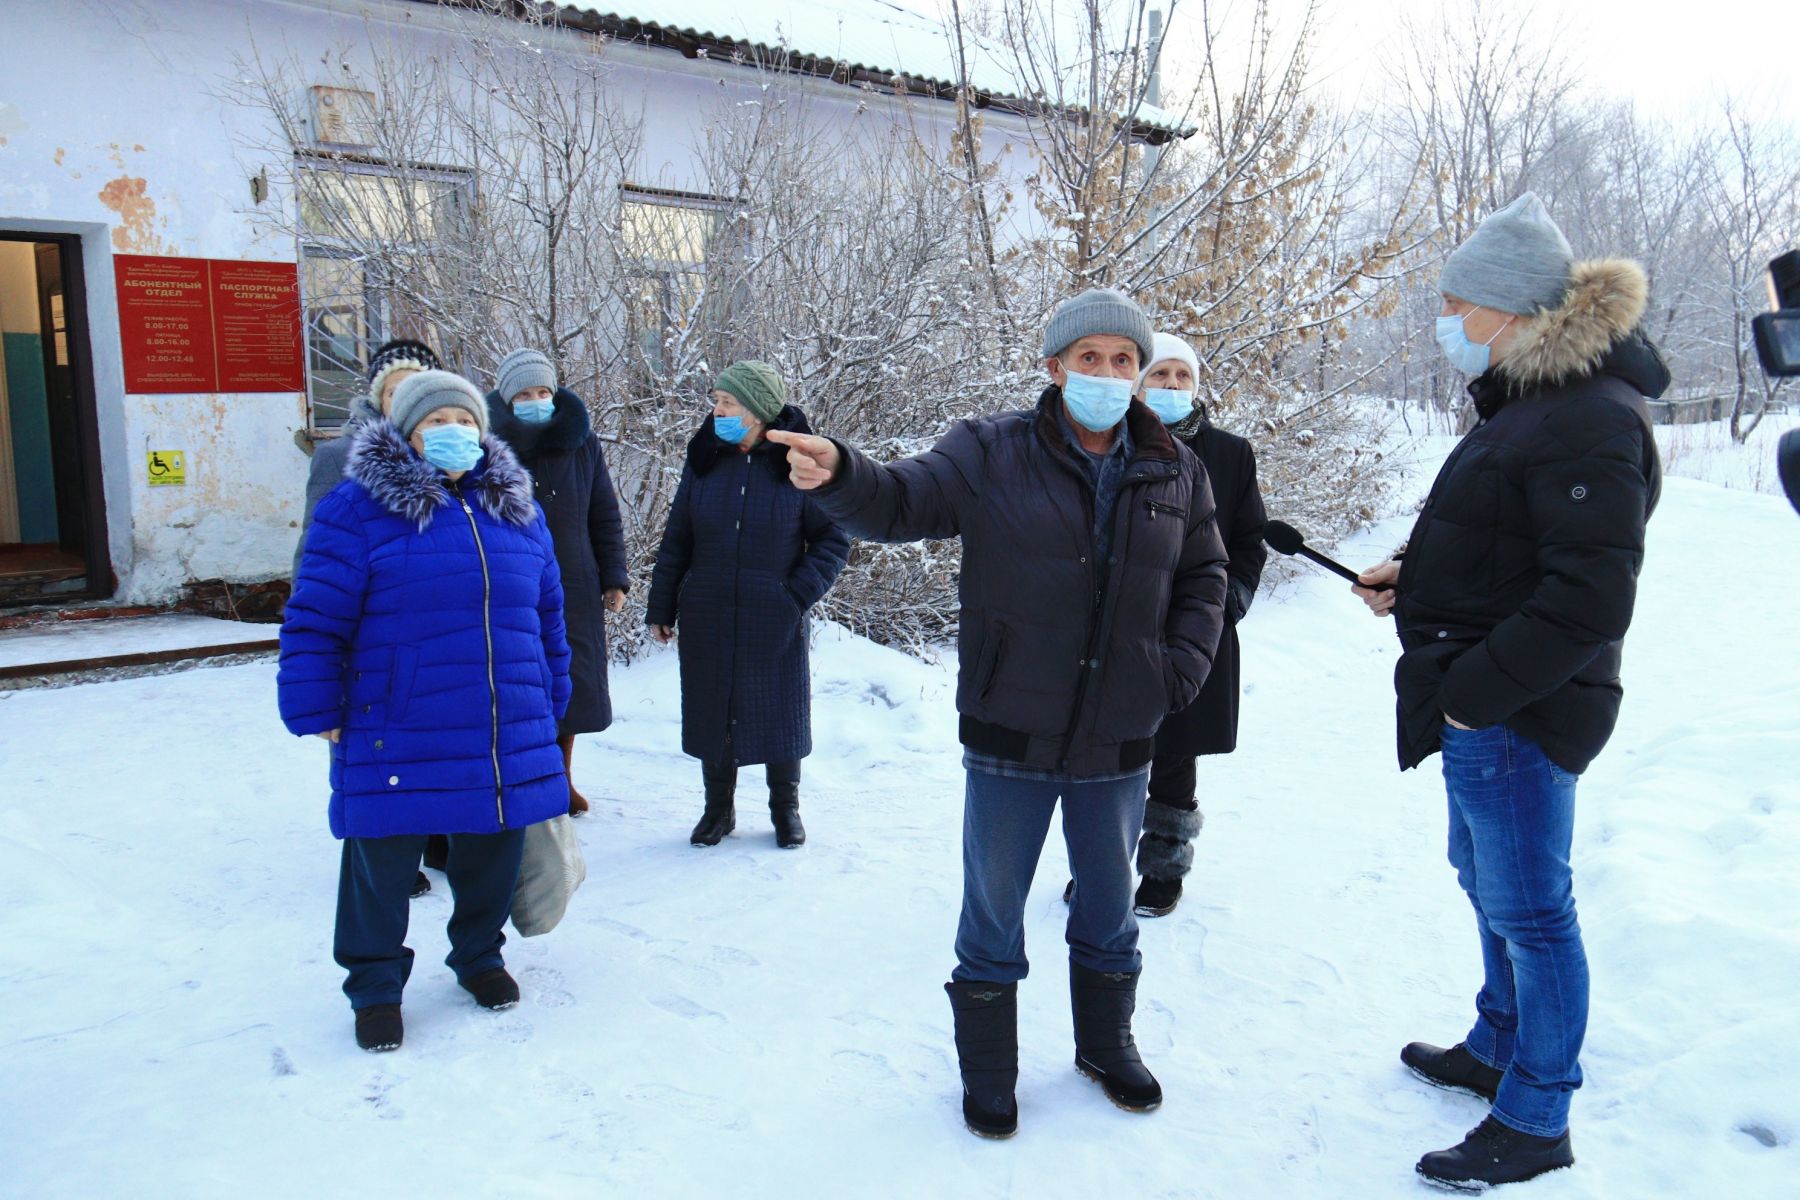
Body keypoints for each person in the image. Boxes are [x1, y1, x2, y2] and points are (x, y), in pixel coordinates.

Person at [768, 289, 1229, 1139]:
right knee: (992, 912)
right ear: (1054, 368)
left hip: (1121, 734)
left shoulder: (1176, 467)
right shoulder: (991, 450)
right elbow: (903, 500)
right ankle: (990, 1075)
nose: (1108, 374)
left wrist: (1176, 671)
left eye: (1123, 360)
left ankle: (1106, 1045)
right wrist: (838, 470)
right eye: (1088, 358)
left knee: (1109, 907)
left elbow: (1206, 576)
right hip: (1010, 728)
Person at [1351, 193, 1666, 1189]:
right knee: (1484, 880)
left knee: (1532, 909)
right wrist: (1415, 574)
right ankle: (1496, 1046)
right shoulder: (1535, 407)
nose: (1445, 320)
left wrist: (1475, 694)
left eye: (1457, 303)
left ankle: (1537, 1115)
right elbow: (1506, 543)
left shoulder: (1586, 419)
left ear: (1513, 311)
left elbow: (1588, 598)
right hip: (1484, 697)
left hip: (1520, 708)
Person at [278, 369, 573, 1054]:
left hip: (503, 722)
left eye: (465, 421)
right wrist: (314, 701)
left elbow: (549, 614)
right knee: (381, 861)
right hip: (396, 720)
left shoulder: (517, 510)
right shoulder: (357, 509)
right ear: (405, 434)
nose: (454, 434)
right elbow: (315, 617)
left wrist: (553, 692)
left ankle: (479, 957)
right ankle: (375, 986)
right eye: (436, 423)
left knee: (491, 850)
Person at [1063, 331, 1266, 917]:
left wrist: (1228, 605)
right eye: (1160, 375)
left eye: (1182, 377)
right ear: (1138, 381)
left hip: (1196, 630)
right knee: (1109, 752)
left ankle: (1163, 867)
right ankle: (1102, 870)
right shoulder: (1109, 444)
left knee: (1177, 752)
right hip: (1120, 628)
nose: (1172, 387)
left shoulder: (1230, 454)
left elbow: (1250, 541)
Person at [644, 361, 849, 849]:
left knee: (779, 710)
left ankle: (786, 810)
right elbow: (677, 539)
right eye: (716, 400)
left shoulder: (798, 463)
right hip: (707, 609)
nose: (718, 410)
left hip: (772, 610)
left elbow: (832, 541)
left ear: (758, 411)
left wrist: (793, 594)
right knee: (713, 708)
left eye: (728, 402)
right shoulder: (705, 463)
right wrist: (662, 605)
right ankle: (718, 810)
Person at [294, 337, 444, 898]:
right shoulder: (339, 456)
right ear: (379, 398)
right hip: (366, 636)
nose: (407, 396)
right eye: (395, 388)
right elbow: (314, 554)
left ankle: (438, 838)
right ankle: (390, 858)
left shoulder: (457, 459)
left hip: (432, 635)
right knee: (373, 754)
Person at [486, 348, 629, 817]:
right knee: (521, 686)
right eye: (525, 394)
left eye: (543, 391)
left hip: (574, 580)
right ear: (507, 400)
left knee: (571, 686)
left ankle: (561, 781)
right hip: (513, 584)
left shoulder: (581, 441)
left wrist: (614, 577)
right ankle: (521, 784)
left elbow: (603, 511)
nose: (536, 401)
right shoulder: (488, 446)